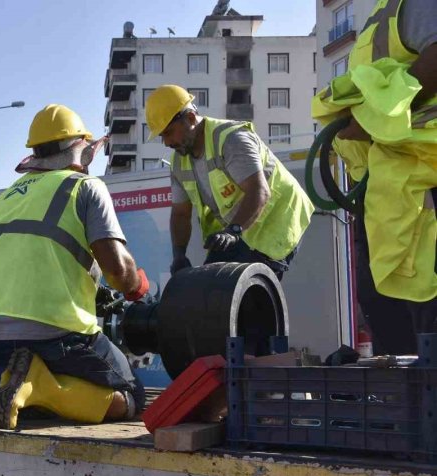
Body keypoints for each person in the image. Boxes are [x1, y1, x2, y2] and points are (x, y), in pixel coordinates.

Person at [0, 104, 150, 430]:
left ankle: (23, 384)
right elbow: (117, 269)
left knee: (48, 385)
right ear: (80, 147)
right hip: (52, 333)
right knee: (132, 394)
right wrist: (136, 286)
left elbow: (37, 260)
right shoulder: (85, 187)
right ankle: (41, 386)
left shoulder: (7, 197)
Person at [312, 0, 437, 349]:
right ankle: (404, 395)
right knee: (384, 303)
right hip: (390, 182)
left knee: (422, 307)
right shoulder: (380, 14)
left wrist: (374, 118)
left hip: (425, 175)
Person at [146, 85, 314, 280]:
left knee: (247, 297)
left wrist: (233, 231)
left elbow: (259, 191)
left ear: (191, 118)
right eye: (162, 136)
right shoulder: (178, 162)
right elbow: (181, 214)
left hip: (277, 220)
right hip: (239, 229)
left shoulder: (231, 139)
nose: (166, 143)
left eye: (169, 133)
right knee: (209, 289)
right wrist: (179, 255)